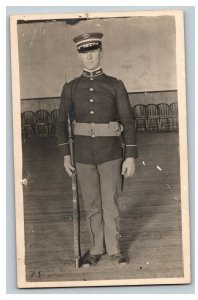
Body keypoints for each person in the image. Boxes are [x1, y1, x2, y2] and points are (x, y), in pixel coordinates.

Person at [57, 32, 138, 267]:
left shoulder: (115, 85)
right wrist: (65, 155)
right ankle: (95, 249)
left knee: (110, 203)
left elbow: (128, 121)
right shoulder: (71, 87)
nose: (89, 57)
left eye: (93, 51)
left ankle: (114, 249)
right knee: (92, 204)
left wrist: (130, 156)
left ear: (101, 52)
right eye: (84, 52)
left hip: (111, 153)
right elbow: (61, 123)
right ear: (79, 56)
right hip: (82, 155)